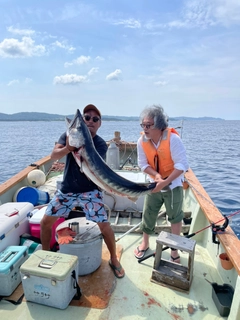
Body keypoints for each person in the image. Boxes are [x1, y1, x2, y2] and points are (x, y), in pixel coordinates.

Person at [40, 104, 125, 278]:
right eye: (86, 118)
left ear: (100, 123)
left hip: (89, 191)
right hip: (67, 189)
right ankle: (45, 254)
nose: (90, 121)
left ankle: (114, 259)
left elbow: (93, 163)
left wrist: (76, 147)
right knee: (45, 222)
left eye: (95, 119)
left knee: (104, 226)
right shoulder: (69, 136)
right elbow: (54, 155)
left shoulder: (100, 143)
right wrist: (69, 148)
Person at [133, 105, 189, 263]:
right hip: (154, 184)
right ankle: (145, 243)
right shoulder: (141, 141)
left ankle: (174, 250)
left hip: (173, 184)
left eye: (148, 125)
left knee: (175, 216)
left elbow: (182, 165)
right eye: (143, 125)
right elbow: (143, 164)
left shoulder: (173, 139)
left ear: (159, 126)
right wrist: (157, 176)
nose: (145, 129)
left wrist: (165, 181)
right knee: (148, 212)